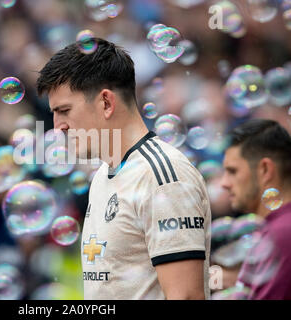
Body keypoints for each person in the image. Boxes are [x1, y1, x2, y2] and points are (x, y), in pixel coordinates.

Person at [36, 38, 211, 300]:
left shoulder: (162, 174)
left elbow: (186, 296)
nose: (58, 126)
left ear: (106, 102)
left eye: (64, 110)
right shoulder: (100, 178)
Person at [221, 119, 291, 299]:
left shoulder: (283, 233)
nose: (224, 183)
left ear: (265, 170)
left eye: (233, 171)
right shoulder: (278, 229)